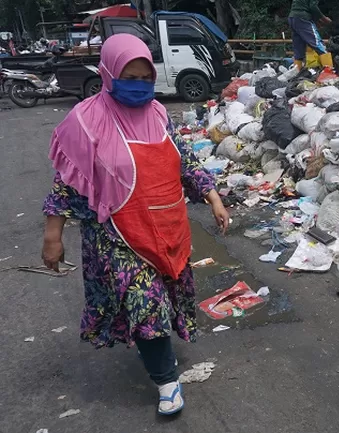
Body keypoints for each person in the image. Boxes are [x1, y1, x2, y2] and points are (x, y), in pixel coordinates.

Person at [41, 34, 229, 416]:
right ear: (110, 74)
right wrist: (52, 235)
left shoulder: (159, 114)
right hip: (116, 236)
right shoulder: (85, 121)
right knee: (146, 304)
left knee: (164, 298)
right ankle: (167, 381)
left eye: (146, 77)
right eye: (131, 76)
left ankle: (157, 351)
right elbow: (66, 181)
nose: (140, 85)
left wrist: (213, 197)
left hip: (167, 227)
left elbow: (185, 161)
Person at [288, 0, 333, 69]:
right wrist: (324, 19)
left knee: (298, 49)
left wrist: (316, 20)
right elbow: (313, 7)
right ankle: (329, 72)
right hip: (303, 18)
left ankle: (296, 72)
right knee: (319, 45)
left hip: (292, 18)